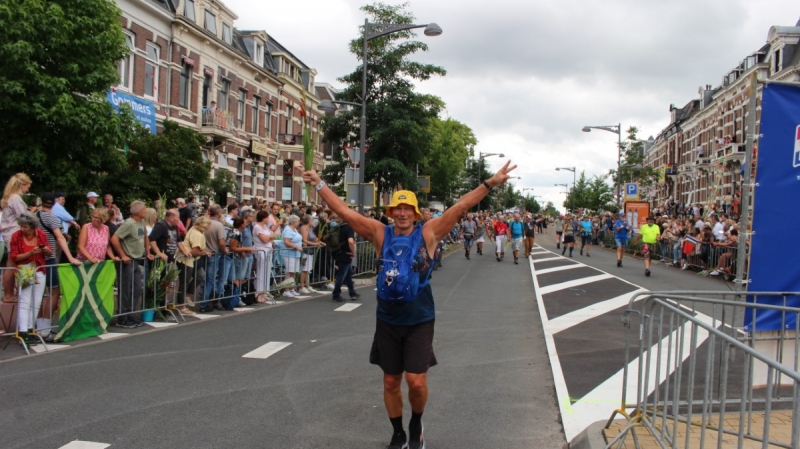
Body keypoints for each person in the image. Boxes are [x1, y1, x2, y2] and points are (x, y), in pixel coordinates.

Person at [300, 159, 517, 449]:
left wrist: (489, 183)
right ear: (391, 212)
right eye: (397, 208)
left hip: (419, 318)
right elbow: (344, 211)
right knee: (391, 381)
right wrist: (319, 184)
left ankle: (416, 424)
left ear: (415, 213)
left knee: (416, 381)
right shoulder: (380, 233)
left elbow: (460, 207)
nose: (402, 213)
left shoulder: (428, 233)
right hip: (388, 319)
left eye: (407, 209)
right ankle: (398, 433)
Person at [9, 213, 53, 346]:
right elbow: (14, 257)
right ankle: (23, 332)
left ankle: (30, 329)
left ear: (33, 227)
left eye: (25, 227)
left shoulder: (41, 234)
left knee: (36, 302)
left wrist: (45, 250)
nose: (22, 229)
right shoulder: (16, 236)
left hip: (39, 270)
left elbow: (50, 252)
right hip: (24, 270)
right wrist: (30, 253)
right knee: (25, 301)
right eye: (21, 226)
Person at [110, 201, 153, 328]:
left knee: (137, 287)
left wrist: (148, 252)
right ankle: (122, 317)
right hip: (127, 261)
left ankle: (131, 314)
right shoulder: (128, 223)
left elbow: (145, 237)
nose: (146, 211)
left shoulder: (141, 222)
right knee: (125, 290)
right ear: (139, 212)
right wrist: (123, 255)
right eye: (144, 210)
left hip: (136, 260)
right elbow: (114, 239)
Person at [149, 209, 192, 312]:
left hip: (169, 260)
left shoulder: (175, 227)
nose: (179, 220)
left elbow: (178, 241)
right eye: (178, 218)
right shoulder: (161, 226)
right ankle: (158, 307)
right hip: (160, 261)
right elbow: (151, 239)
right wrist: (159, 253)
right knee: (160, 284)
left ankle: (163, 306)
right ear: (171, 217)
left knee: (166, 284)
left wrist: (185, 251)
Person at [2, 173, 35, 303]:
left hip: (9, 233)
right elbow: (23, 218)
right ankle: (10, 294)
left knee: (11, 262)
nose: (27, 190)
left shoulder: (9, 197)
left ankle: (10, 293)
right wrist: (32, 213)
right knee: (15, 262)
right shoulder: (15, 198)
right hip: (15, 233)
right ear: (22, 185)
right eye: (28, 187)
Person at [175, 215, 212, 313]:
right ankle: (182, 306)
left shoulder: (194, 229)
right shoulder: (198, 235)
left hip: (189, 259)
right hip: (187, 260)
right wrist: (203, 252)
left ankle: (187, 295)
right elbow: (195, 251)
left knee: (200, 276)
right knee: (184, 282)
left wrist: (204, 251)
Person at [200, 205, 228, 312]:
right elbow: (221, 242)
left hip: (203, 253)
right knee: (210, 280)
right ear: (218, 213)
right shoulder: (218, 225)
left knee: (206, 279)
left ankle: (205, 301)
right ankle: (204, 303)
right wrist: (225, 250)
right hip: (214, 253)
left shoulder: (204, 223)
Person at [330, 216, 361, 302]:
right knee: (341, 275)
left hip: (339, 252)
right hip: (346, 254)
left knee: (348, 275)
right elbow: (350, 241)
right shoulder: (349, 228)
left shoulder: (339, 227)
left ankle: (352, 293)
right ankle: (336, 294)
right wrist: (353, 252)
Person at [228, 215, 254, 306]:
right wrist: (246, 249)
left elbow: (238, 245)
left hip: (236, 257)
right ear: (242, 224)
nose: (246, 223)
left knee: (238, 278)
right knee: (237, 278)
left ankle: (236, 297)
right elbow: (233, 247)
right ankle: (236, 297)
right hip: (235, 257)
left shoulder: (237, 232)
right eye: (244, 222)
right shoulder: (236, 233)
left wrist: (243, 249)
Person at [252, 210, 277, 303]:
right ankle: (258, 293)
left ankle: (265, 292)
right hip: (261, 250)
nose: (268, 219)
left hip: (268, 250)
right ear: (263, 218)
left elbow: (273, 236)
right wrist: (270, 237)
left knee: (266, 272)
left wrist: (269, 237)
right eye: (267, 217)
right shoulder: (257, 227)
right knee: (261, 272)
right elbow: (265, 239)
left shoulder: (265, 227)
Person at [298, 214, 324, 294]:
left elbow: (315, 238)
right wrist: (315, 244)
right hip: (306, 251)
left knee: (308, 270)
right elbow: (305, 241)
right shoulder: (303, 228)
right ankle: (302, 286)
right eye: (311, 220)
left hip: (311, 251)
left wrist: (321, 243)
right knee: (304, 269)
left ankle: (307, 285)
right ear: (309, 221)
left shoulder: (310, 228)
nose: (312, 221)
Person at [280, 215, 303, 297]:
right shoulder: (287, 230)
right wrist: (296, 246)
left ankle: (291, 288)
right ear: (294, 222)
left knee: (293, 272)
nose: (299, 223)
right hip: (289, 254)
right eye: (298, 221)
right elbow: (286, 242)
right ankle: (286, 290)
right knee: (289, 272)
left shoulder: (295, 229)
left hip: (295, 254)